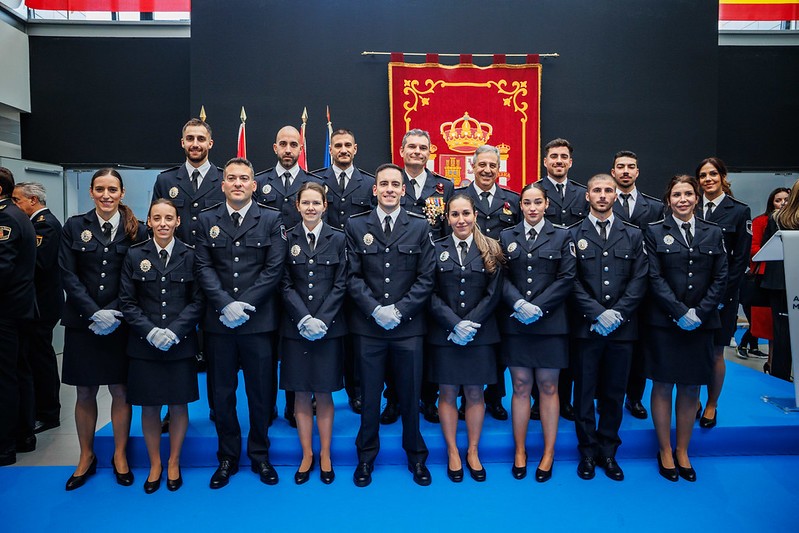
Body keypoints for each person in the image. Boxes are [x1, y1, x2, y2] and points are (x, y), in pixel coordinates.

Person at [194, 157, 287, 489]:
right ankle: (227, 456)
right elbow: (203, 267)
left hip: (257, 321)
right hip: (219, 323)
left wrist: (243, 305)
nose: (237, 183)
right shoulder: (207, 220)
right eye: (231, 178)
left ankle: (260, 455)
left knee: (260, 393)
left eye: (243, 178)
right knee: (222, 394)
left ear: (253, 184)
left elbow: (274, 269)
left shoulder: (272, 219)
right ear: (223, 184)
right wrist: (225, 305)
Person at [346, 163, 435, 487]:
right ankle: (366, 457)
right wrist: (375, 310)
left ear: (403, 190)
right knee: (370, 397)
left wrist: (398, 310)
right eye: (382, 183)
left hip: (408, 327)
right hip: (369, 328)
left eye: (394, 184)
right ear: (375, 189)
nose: (388, 189)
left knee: (411, 397)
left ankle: (416, 457)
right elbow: (352, 276)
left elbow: (426, 278)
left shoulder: (420, 226)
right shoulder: (356, 226)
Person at [58, 168, 148, 490]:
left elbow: (140, 278)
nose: (106, 195)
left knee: (120, 390)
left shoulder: (137, 229)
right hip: (84, 323)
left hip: (121, 322)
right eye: (100, 189)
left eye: (113, 189)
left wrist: (114, 312)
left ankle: (120, 455)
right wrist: (94, 313)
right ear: (91, 193)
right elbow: (68, 274)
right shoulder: (74, 226)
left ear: (122, 193)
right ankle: (86, 456)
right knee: (84, 390)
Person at [643, 174, 727, 482]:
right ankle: (665, 449)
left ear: (696, 198)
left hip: (701, 323)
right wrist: (679, 311)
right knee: (663, 385)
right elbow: (653, 276)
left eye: (688, 194)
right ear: (668, 200)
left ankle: (682, 449)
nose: (683, 199)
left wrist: (699, 313)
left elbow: (721, 277)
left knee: (691, 386)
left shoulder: (713, 232)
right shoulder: (653, 232)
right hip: (665, 322)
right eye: (677, 194)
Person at [119, 199, 204, 493]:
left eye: (169, 218)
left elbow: (198, 300)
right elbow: (127, 301)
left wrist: (176, 331)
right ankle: (155, 463)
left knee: (178, 405)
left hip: (180, 345)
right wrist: (151, 332)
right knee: (151, 406)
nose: (164, 223)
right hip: (145, 345)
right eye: (157, 218)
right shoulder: (134, 255)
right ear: (150, 221)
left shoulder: (191, 255)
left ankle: (174, 462)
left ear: (178, 222)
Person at [569, 174, 648, 482]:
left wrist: (616, 314)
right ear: (587, 196)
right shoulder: (573, 233)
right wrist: (596, 314)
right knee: (585, 393)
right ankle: (587, 451)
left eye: (608, 191)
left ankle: (608, 451)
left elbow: (640, 279)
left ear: (616, 196)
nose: (602, 195)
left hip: (622, 328)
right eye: (597, 191)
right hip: (587, 328)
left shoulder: (633, 235)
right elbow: (571, 280)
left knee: (615, 393)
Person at [499, 182, 575, 482]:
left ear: (546, 205)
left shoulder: (562, 235)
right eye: (527, 203)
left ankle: (548, 452)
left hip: (550, 322)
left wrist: (538, 306)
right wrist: (519, 303)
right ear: (521, 206)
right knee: (520, 385)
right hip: (517, 321)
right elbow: (500, 277)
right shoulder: (507, 236)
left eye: (537, 202)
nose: (532, 208)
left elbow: (567, 276)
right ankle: (520, 450)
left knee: (548, 387)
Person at [429, 194, 504, 482]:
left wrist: (470, 324)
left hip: (479, 334)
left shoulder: (491, 249)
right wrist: (453, 324)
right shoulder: (435, 249)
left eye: (466, 214)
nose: (461, 220)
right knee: (447, 393)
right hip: (445, 334)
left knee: (475, 393)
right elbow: (430, 292)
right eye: (455, 214)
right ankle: (452, 451)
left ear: (475, 216)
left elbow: (494, 293)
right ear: (447, 218)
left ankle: (472, 450)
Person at [255, 125, 323, 426]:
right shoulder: (259, 183)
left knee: (300, 347)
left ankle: (296, 404)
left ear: (301, 148)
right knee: (268, 351)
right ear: (274, 147)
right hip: (266, 279)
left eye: (293, 144)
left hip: (300, 278)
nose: (287, 149)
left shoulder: (314, 184)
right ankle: (266, 405)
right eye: (282, 143)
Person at [280, 182, 347, 485]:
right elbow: (283, 282)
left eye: (315, 203)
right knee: (300, 393)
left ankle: (326, 454)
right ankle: (307, 453)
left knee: (323, 391)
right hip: (296, 328)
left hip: (328, 329)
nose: (310, 208)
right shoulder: (286, 237)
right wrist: (304, 318)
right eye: (305, 203)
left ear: (324, 206)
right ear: (297, 206)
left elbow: (342, 283)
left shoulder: (339, 238)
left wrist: (321, 319)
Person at [387, 129, 454, 425]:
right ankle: (394, 400)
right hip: (396, 276)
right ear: (401, 150)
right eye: (411, 146)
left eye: (422, 147)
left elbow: (450, 232)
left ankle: (429, 398)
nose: (417, 151)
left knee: (429, 342)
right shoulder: (391, 182)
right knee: (393, 339)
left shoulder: (444, 187)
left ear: (430, 152)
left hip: (434, 277)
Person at [455, 144, 520, 421]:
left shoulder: (512, 200)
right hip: (466, 282)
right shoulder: (459, 198)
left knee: (497, 344)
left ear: (499, 168)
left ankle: (494, 396)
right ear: (473, 166)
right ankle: (464, 398)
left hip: (501, 284)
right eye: (482, 164)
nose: (487, 170)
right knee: (465, 342)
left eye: (492, 165)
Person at [314, 129, 374, 414]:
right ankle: (317, 390)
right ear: (331, 149)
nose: (343, 149)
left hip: (359, 270)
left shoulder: (369, 184)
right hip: (323, 270)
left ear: (356, 148)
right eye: (337, 145)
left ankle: (357, 390)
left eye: (348, 145)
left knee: (356, 338)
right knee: (323, 335)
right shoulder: (315, 181)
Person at [535, 137, 588, 422]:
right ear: (545, 161)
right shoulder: (534, 192)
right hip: (544, 281)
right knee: (538, 341)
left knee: (568, 344)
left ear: (570, 162)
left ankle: (563, 397)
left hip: (578, 280)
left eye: (563, 157)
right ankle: (536, 400)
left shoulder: (582, 194)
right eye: (553, 156)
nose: (558, 161)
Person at [696, 157, 751, 428]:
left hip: (723, 297)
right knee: (692, 350)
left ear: (722, 177)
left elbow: (740, 260)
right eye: (703, 175)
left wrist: (718, 295)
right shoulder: (691, 208)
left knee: (717, 352)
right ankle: (692, 400)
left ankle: (711, 404)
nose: (708, 179)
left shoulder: (739, 212)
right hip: (693, 297)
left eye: (713, 174)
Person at [609, 151, 665, 420]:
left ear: (638, 172)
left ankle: (634, 397)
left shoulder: (654, 207)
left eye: (631, 166)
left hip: (644, 286)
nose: (626, 171)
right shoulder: (602, 202)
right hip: (609, 286)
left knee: (639, 347)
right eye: (620, 167)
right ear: (613, 171)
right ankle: (606, 397)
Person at [12, 182, 64, 434]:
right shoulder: (34, 224)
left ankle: (48, 412)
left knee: (41, 357)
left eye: (17, 200)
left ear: (33, 200)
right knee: (34, 356)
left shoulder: (45, 225)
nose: (14, 205)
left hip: (43, 303)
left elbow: (38, 264)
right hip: (37, 303)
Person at [0, 168, 37, 467]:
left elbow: (2, 268)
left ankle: (4, 445)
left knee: (5, 378)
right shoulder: (17, 214)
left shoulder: (5, 218)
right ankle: (24, 434)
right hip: (19, 309)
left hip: (7, 311)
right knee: (20, 372)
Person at [152, 118, 225, 245]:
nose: (195, 144)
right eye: (190, 138)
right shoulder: (165, 181)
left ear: (210, 143)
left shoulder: (224, 180)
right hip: (177, 258)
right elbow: (155, 221)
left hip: (213, 257)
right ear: (182, 142)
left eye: (201, 139)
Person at [740, 187, 789, 368]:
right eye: (778, 200)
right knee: (769, 327)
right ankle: (771, 363)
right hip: (766, 280)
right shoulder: (762, 221)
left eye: (786, 199)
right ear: (771, 202)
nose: (783, 203)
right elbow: (752, 250)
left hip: (789, 278)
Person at [761, 179, 799, 382]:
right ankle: (780, 380)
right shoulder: (778, 219)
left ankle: (779, 379)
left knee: (781, 334)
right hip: (782, 281)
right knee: (782, 334)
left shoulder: (777, 218)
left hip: (779, 282)